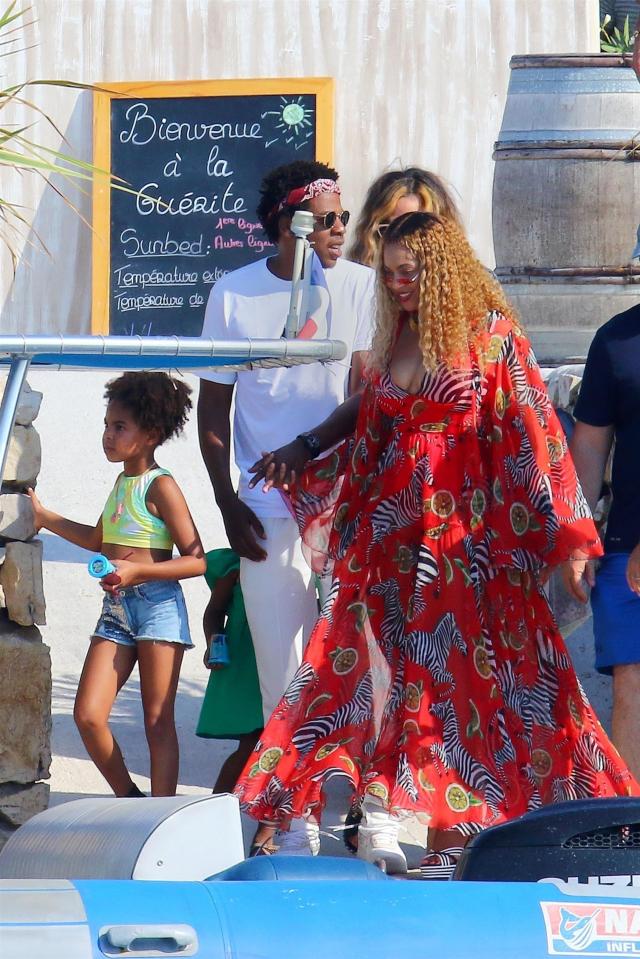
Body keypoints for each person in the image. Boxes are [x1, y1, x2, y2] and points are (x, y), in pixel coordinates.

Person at [236, 211, 637, 877]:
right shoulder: (399, 335)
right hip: (389, 537)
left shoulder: (492, 340)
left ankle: (437, 823)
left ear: (442, 269)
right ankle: (385, 807)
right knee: (376, 672)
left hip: (464, 544)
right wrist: (306, 449)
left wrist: (570, 538)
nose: (396, 283)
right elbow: (370, 418)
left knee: (459, 681)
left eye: (409, 271)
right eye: (389, 272)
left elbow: (535, 436)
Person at [197, 160, 375, 853]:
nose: (340, 230)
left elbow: (364, 390)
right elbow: (215, 404)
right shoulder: (234, 293)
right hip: (265, 506)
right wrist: (225, 503)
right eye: (328, 219)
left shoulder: (359, 286)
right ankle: (294, 817)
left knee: (363, 661)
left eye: (344, 218)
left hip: (346, 500)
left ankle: (363, 808)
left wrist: (317, 456)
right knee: (283, 666)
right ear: (290, 223)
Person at [28, 372, 206, 797]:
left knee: (157, 720)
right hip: (117, 611)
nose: (107, 435)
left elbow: (197, 561)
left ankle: (161, 818)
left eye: (119, 427)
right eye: (106, 425)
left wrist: (138, 572)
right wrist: (45, 517)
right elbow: (98, 540)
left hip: (158, 607)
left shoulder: (162, 485)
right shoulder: (121, 482)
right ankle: (129, 798)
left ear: (151, 434)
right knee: (88, 714)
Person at [565, 300, 640, 781]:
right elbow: (591, 443)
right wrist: (577, 536)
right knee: (630, 680)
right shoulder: (616, 339)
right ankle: (631, 822)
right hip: (621, 544)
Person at [196, 548, 264, 798]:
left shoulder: (307, 567)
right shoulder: (236, 567)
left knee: (266, 739)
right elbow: (214, 611)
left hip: (285, 660)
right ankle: (217, 804)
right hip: (246, 662)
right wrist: (214, 642)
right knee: (253, 739)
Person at [348, 167, 460, 267]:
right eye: (388, 230)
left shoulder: (466, 287)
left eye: (414, 230)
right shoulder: (358, 285)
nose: (402, 244)